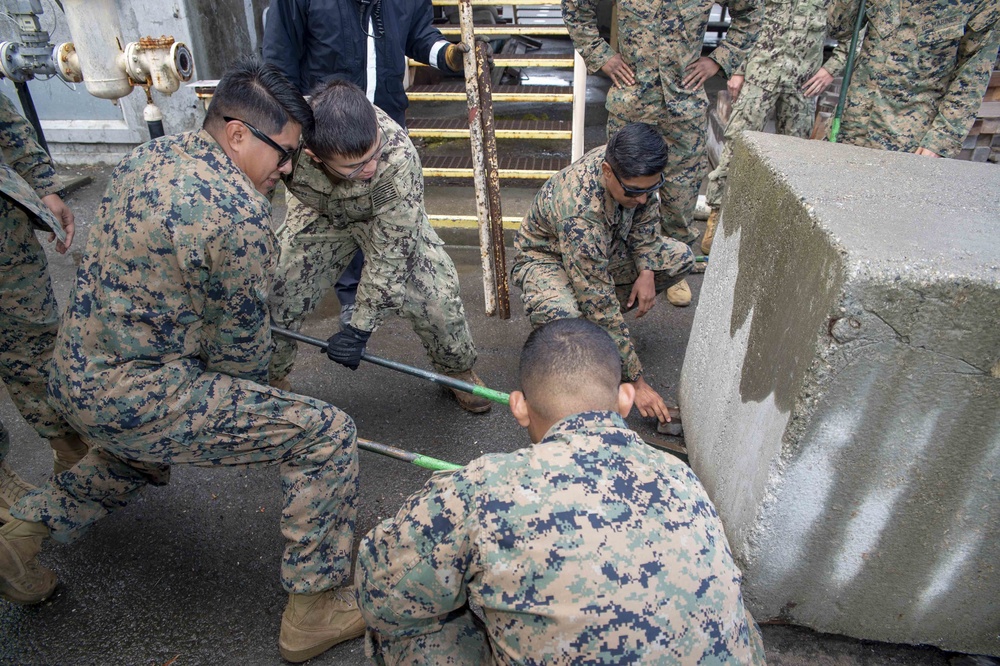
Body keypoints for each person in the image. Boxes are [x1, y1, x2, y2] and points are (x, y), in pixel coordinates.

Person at [0, 59, 363, 664]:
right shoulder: (239, 215)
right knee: (325, 434)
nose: (289, 168)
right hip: (136, 391)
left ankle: (20, 539)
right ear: (239, 134)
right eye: (285, 153)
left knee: (135, 453)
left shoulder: (150, 157)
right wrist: (268, 402)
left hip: (74, 374)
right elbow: (241, 360)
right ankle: (314, 610)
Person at [356, 318, 766, 664]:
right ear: (625, 399)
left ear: (518, 406)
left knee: (406, 617)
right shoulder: (681, 476)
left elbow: (382, 589)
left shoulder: (481, 488)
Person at [268, 79, 493, 414]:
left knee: (436, 299)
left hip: (383, 217)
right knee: (278, 290)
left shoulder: (397, 161)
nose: (370, 167)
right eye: (356, 166)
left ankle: (457, 371)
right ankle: (270, 379)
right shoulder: (283, 138)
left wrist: (360, 328)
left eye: (373, 153)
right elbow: (250, 191)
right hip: (318, 210)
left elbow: (391, 258)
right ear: (314, 156)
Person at [263, 0, 470, 329]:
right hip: (323, 139)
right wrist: (295, 136)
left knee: (396, 228)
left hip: (383, 133)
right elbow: (278, 65)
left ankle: (380, 304)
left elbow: (419, 35)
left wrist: (448, 55)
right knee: (323, 228)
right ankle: (350, 296)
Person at [563, 0, 761, 307]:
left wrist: (719, 60)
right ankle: (618, 266)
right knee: (621, 192)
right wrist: (600, 54)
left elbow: (751, 12)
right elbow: (577, 6)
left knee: (680, 195)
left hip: (683, 105)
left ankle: (671, 268)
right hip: (632, 100)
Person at [510, 122, 692, 427]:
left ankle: (599, 332)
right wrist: (636, 381)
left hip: (602, 247)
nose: (644, 198)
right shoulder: (580, 213)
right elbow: (600, 305)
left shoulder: (635, 172)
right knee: (566, 316)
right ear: (608, 172)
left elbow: (645, 221)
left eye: (652, 189)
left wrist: (646, 268)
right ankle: (575, 357)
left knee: (678, 258)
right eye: (635, 191)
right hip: (547, 259)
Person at [702, 0, 849, 255]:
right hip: (759, 74)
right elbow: (748, 20)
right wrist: (737, 69)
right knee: (736, 146)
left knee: (793, 158)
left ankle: (780, 228)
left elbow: (852, 36)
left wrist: (829, 70)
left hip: (802, 83)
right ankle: (717, 214)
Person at [0, 94, 88, 522]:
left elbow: (3, 115)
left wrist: (42, 183)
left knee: (34, 341)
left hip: (5, 237)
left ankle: (70, 447)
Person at [828, 0, 999, 159]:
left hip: (907, 141)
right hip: (849, 124)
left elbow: (972, 77)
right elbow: (838, 29)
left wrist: (941, 140)